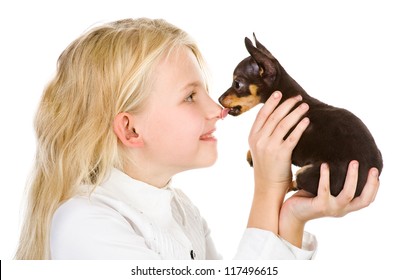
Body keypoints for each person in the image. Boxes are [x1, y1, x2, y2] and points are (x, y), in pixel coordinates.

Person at [15, 18, 380, 260]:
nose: (217, 109)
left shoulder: (182, 213)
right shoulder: (85, 227)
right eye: (190, 96)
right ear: (130, 130)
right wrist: (269, 187)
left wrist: (291, 217)